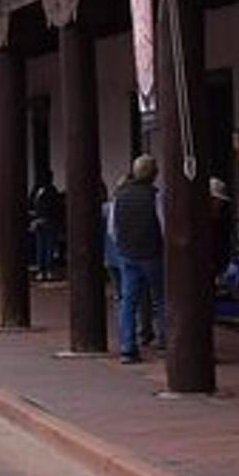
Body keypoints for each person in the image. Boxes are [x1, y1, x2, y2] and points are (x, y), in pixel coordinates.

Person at [108, 156, 164, 364]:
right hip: (152, 252)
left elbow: (113, 229)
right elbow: (163, 225)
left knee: (128, 300)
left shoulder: (119, 196)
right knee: (160, 297)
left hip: (127, 253)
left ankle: (127, 347)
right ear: (153, 173)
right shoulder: (154, 196)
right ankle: (164, 338)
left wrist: (123, 245)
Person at [30, 171, 66, 281]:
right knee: (45, 246)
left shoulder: (44, 190)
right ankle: (45, 270)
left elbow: (54, 207)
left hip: (43, 221)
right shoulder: (43, 190)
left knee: (45, 246)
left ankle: (45, 270)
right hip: (44, 221)